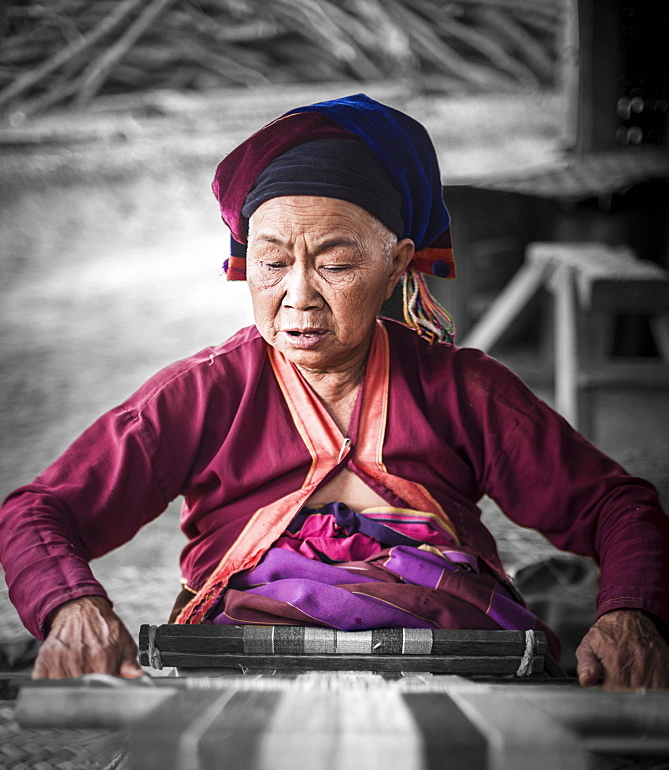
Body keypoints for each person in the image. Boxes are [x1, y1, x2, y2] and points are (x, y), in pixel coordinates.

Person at [1, 94, 668, 689]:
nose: (297, 297)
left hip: (452, 667)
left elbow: (615, 505)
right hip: (243, 668)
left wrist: (629, 613)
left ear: (395, 266)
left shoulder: (461, 390)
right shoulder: (204, 393)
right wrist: (74, 606)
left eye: (336, 264)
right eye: (270, 263)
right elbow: (37, 512)